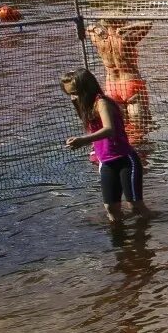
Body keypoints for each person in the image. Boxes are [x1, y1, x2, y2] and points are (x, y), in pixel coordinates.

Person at [62, 68, 150, 222]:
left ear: (86, 88)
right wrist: (94, 152)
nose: (73, 98)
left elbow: (109, 129)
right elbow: (96, 133)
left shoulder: (102, 103)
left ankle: (156, 228)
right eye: (69, 94)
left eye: (75, 93)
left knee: (135, 205)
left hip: (125, 159)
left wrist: (83, 140)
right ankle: (123, 241)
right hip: (106, 162)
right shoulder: (86, 106)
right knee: (111, 208)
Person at [85, 18, 155, 146]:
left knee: (120, 125)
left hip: (111, 86)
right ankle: (139, 158)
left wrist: (97, 29)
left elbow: (88, 28)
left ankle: (120, 150)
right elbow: (148, 24)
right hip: (131, 84)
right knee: (139, 128)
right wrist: (126, 30)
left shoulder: (99, 39)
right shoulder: (126, 39)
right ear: (120, 23)